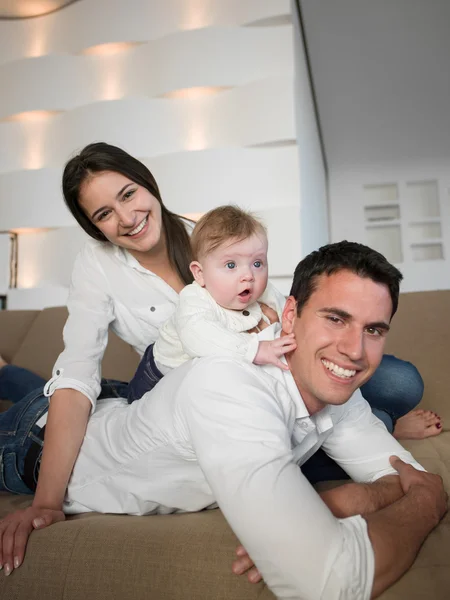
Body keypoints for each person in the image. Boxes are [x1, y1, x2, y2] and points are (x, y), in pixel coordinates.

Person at [0, 141, 441, 574]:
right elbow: (77, 373)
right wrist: (45, 503)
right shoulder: (99, 267)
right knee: (57, 396)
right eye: (103, 214)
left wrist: (291, 330)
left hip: (149, 400)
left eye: (128, 194)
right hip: (159, 380)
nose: (126, 218)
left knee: (396, 383)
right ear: (95, 227)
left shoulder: (210, 235)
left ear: (147, 184)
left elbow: (268, 298)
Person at [127, 205, 295, 403]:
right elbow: (200, 338)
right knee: (139, 408)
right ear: (200, 274)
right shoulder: (194, 299)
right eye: (231, 265)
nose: (248, 276)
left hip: (204, 374)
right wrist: (256, 350)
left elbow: (287, 314)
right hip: (157, 375)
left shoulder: (263, 290)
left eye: (257, 263)